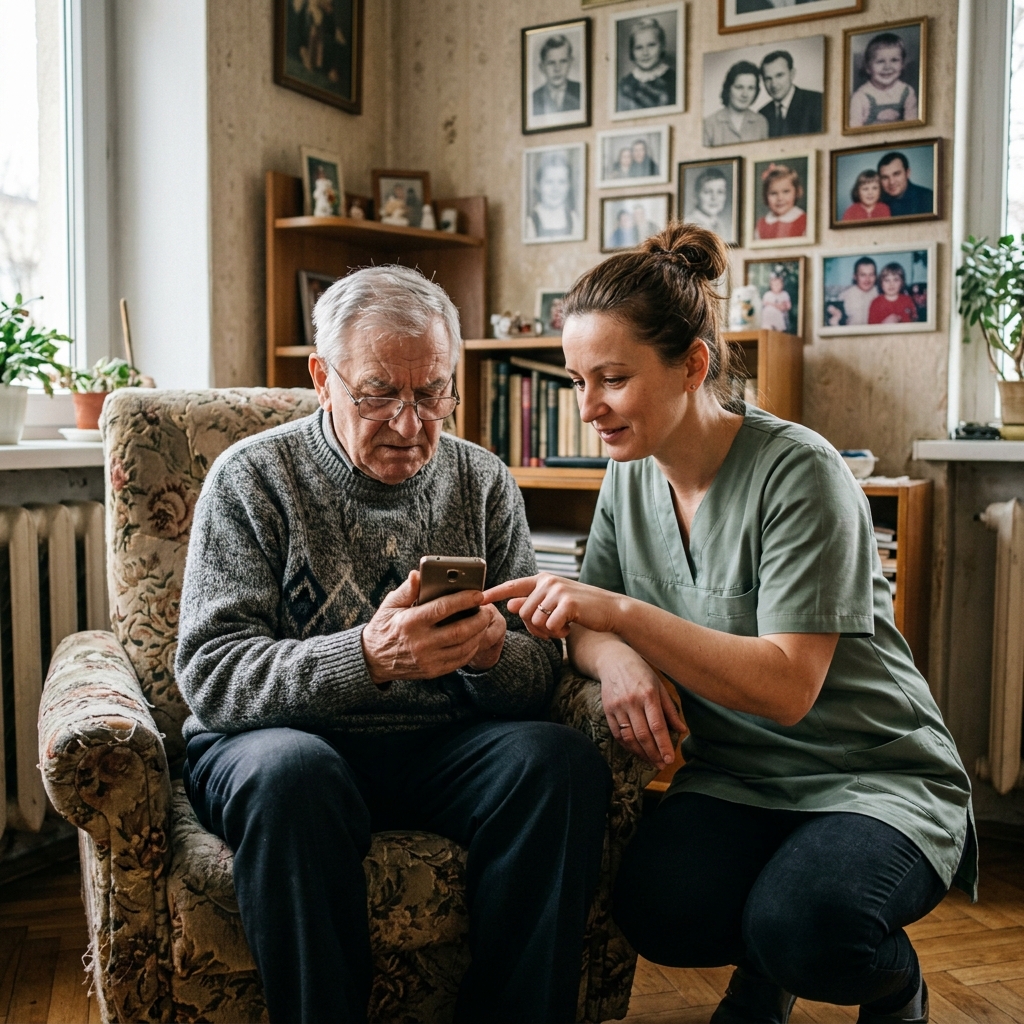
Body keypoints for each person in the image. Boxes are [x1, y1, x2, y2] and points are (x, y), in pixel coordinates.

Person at [483, 223, 976, 1024]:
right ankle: (766, 962)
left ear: (693, 365)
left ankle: (892, 983)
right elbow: (583, 623)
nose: (589, 409)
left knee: (814, 929)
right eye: (577, 381)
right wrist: (617, 660)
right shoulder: (630, 477)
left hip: (871, 774)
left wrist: (618, 614)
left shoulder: (800, 472)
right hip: (739, 777)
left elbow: (785, 689)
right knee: (656, 911)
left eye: (612, 378)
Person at [175, 265, 612, 1024]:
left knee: (558, 764)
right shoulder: (251, 478)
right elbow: (211, 675)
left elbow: (539, 671)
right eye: (378, 392)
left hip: (436, 748)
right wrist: (367, 657)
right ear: (323, 378)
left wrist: (491, 654)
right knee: (294, 775)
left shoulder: (482, 480)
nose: (411, 423)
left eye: (433, 392)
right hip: (279, 746)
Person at [849, 32, 918, 128]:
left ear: (902, 64)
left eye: (894, 60)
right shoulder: (860, 97)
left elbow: (914, 129)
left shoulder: (907, 92)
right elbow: (854, 132)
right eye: (880, 61)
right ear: (868, 67)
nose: (887, 67)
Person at [758, 50, 823, 137]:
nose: (773, 84)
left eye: (779, 75)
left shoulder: (818, 102)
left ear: (792, 74)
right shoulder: (762, 115)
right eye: (768, 78)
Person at [704, 61, 769, 147]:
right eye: (739, 87)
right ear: (728, 88)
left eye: (751, 88)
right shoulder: (709, 124)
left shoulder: (761, 122)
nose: (745, 94)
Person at [617, 16, 676, 111]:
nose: (645, 53)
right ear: (632, 51)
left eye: (651, 45)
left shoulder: (674, 80)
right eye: (639, 47)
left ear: (662, 46)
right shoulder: (624, 85)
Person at [526, 151, 580, 240]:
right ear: (539, 185)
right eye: (549, 182)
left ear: (568, 186)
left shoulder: (573, 219)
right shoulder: (530, 221)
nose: (555, 189)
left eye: (561, 182)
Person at [754, 163, 806, 241]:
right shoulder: (761, 225)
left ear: (796, 192)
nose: (780, 198)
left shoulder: (804, 221)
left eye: (786, 191)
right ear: (765, 196)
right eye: (773, 193)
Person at [532, 34, 581, 115]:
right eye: (551, 63)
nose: (557, 69)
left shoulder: (581, 91)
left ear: (570, 63)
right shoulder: (533, 98)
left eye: (563, 61)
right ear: (542, 67)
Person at [878, 152, 934, 218]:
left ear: (907, 173)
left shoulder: (928, 198)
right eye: (885, 177)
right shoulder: (875, 202)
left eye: (896, 174)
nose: (891, 182)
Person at [686, 166, 731, 239]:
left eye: (720, 192)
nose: (714, 198)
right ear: (696, 195)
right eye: (707, 192)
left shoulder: (720, 225)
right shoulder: (689, 225)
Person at [839, 256, 880, 326]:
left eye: (871, 275)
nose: (867, 279)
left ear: (876, 276)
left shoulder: (880, 293)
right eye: (863, 275)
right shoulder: (845, 296)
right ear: (855, 276)